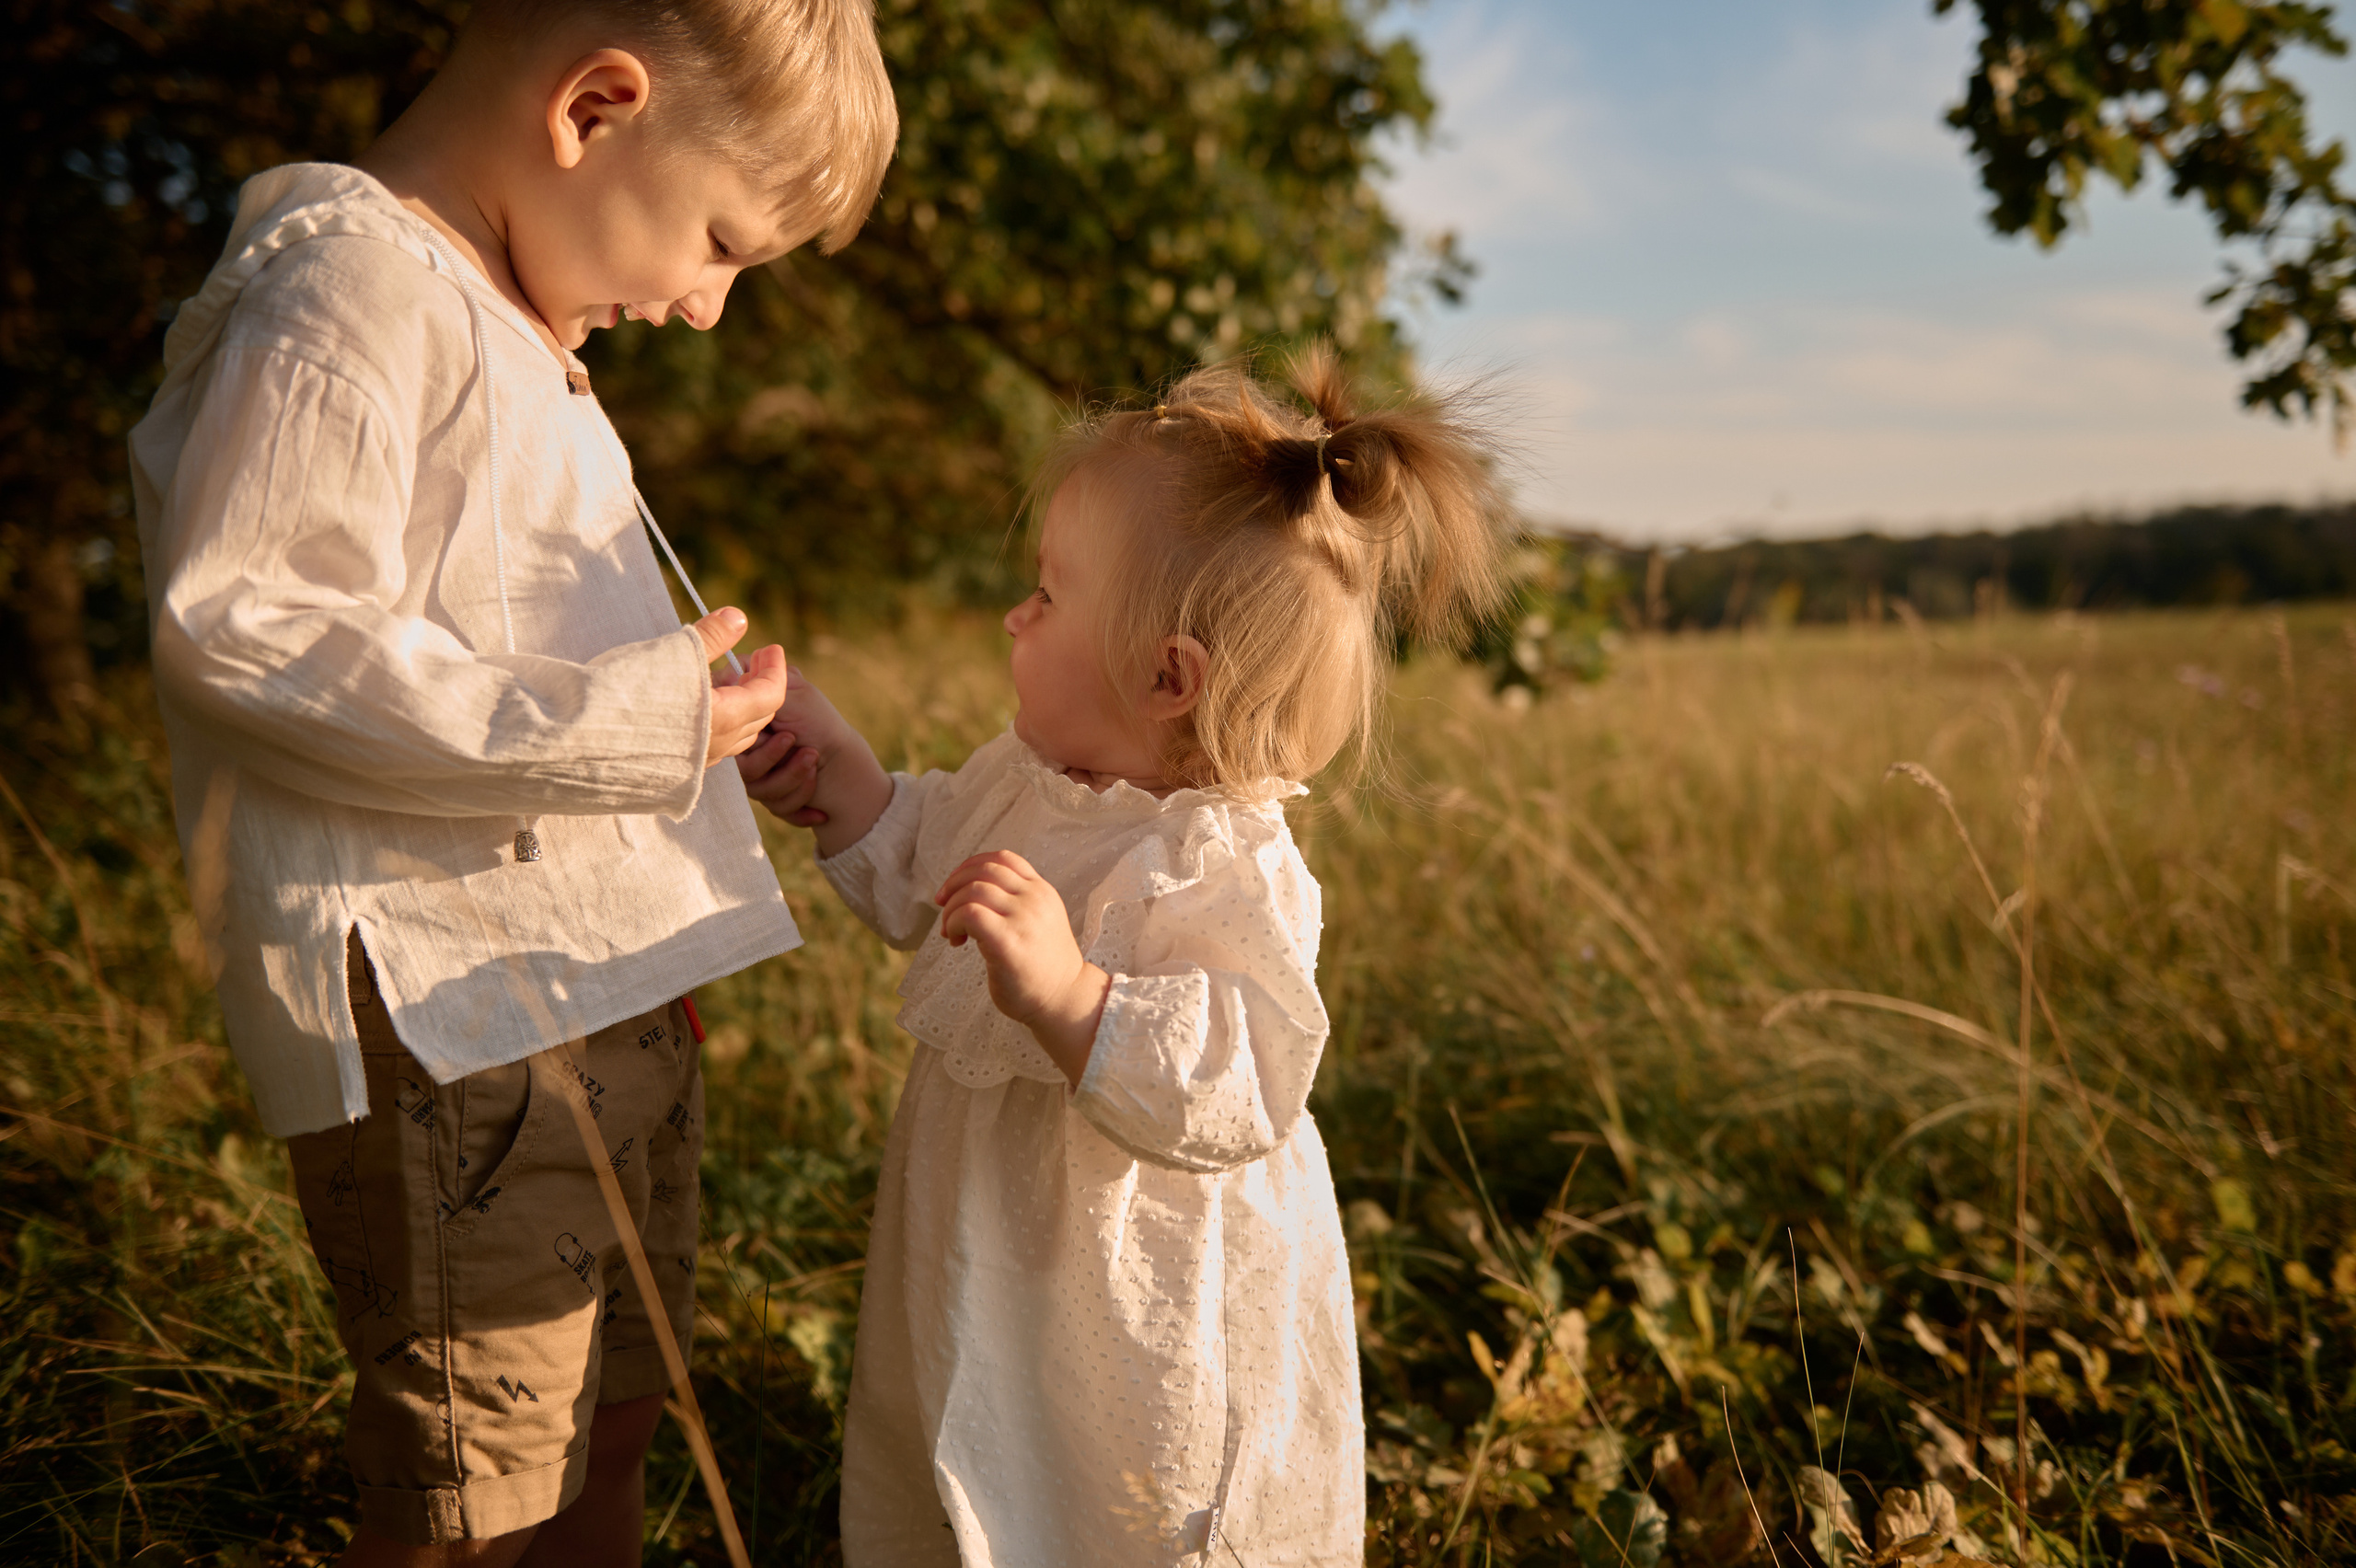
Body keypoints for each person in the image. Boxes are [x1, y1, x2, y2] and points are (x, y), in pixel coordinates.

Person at [125, 2, 896, 1562]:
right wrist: (624, 728)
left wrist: (704, 728)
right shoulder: (351, 284)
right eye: (722, 242)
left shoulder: (516, 323)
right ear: (597, 109)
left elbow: (507, 641)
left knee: (617, 1412)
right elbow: (251, 625)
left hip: (594, 998)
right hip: (454, 1031)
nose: (707, 309)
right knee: (485, 1487)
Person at [738, 345, 1512, 1565]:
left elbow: (1247, 1075)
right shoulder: (1023, 782)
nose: (1015, 614)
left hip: (1134, 1287)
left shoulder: (1228, 862)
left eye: (1048, 595)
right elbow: (923, 861)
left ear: (1167, 676)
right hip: (983, 1248)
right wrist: (835, 772)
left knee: (1120, 1498)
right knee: (965, 1443)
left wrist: (1077, 997)